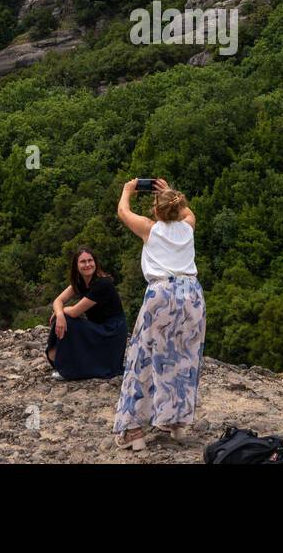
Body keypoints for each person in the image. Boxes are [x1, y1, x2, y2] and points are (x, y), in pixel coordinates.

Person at [111, 177, 205, 451]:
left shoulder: (150, 229)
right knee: (183, 358)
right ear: (178, 207)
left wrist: (127, 190)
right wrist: (169, 193)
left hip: (162, 293)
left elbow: (122, 212)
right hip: (192, 294)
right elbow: (189, 213)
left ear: (156, 210)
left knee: (143, 357)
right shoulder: (188, 228)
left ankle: (133, 431)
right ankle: (176, 423)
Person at [46, 247, 128, 381]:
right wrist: (59, 314)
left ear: (95, 263)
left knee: (68, 319)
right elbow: (58, 300)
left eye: (90, 260)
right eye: (83, 262)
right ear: (76, 266)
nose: (88, 264)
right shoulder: (80, 282)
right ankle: (58, 360)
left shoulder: (103, 284)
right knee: (63, 318)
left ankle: (67, 368)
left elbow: (74, 312)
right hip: (98, 328)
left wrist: (61, 312)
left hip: (111, 332)